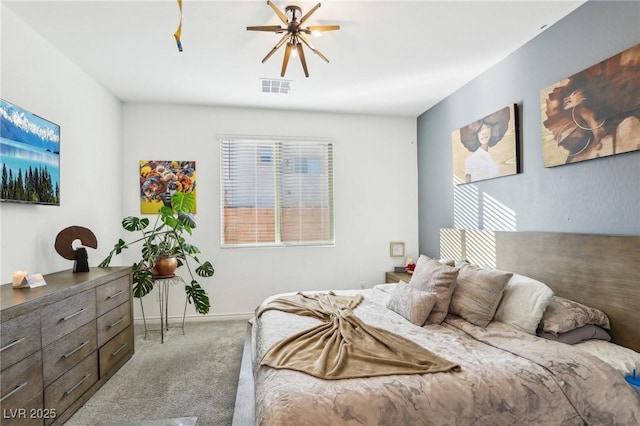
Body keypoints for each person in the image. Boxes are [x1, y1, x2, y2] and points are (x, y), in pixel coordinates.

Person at [459, 106, 511, 183]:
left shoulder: (494, 158)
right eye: (480, 130)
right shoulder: (471, 160)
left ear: (493, 129)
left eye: (487, 127)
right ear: (475, 134)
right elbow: (468, 183)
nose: (484, 133)